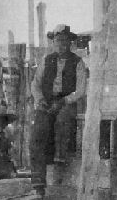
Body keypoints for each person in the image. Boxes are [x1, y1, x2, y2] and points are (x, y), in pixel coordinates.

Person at [30, 25, 87, 189]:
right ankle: (38, 182)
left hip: (66, 102)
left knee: (63, 121)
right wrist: (40, 99)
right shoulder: (46, 60)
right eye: (58, 40)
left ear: (70, 42)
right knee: (38, 132)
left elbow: (81, 90)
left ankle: (59, 167)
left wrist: (64, 101)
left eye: (64, 40)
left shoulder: (78, 62)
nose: (61, 44)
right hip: (47, 102)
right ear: (53, 42)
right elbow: (35, 84)